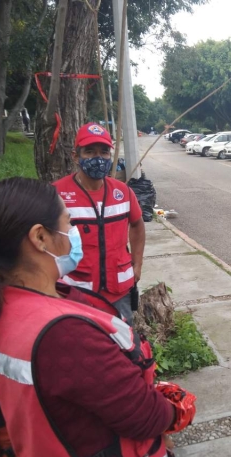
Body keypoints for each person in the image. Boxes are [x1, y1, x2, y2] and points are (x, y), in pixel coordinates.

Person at [0, 177, 191, 457]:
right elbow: (145, 417)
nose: (74, 234)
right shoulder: (63, 334)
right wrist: (177, 411)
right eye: (68, 224)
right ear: (40, 238)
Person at [53, 123, 145, 325]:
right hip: (76, 291)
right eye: (90, 152)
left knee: (123, 344)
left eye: (104, 152)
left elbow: (137, 225)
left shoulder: (123, 192)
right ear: (75, 156)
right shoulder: (56, 194)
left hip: (119, 290)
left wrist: (137, 265)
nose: (98, 158)